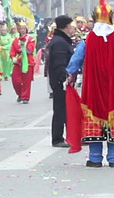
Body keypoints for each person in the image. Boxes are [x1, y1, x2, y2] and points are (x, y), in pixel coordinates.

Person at [66, 0, 114, 168]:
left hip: (93, 89)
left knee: (94, 120)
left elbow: (75, 60)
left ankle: (95, 158)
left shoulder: (88, 39)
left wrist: (70, 74)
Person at [46, 15, 74, 148]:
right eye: (71, 25)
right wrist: (64, 77)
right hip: (60, 81)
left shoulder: (61, 40)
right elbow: (59, 64)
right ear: (67, 26)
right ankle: (57, 138)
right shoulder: (59, 42)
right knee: (60, 110)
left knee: (67, 109)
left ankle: (71, 136)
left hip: (62, 80)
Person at [10, 22, 36, 104]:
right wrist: (13, 57)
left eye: (24, 29)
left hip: (27, 62)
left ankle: (25, 97)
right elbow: (12, 50)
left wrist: (23, 50)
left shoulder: (31, 39)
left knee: (26, 81)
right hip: (18, 62)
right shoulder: (16, 40)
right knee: (15, 80)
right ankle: (20, 94)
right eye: (20, 29)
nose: (22, 30)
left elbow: (30, 49)